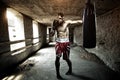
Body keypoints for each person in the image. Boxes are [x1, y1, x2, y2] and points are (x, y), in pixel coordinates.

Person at [50, 13, 82, 79]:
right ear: (58, 18)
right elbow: (52, 34)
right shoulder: (55, 24)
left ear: (63, 18)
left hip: (66, 43)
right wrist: (52, 28)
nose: (60, 19)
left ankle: (70, 70)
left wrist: (82, 20)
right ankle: (57, 74)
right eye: (59, 18)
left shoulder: (66, 22)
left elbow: (75, 21)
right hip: (58, 43)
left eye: (61, 18)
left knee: (66, 58)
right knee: (57, 58)